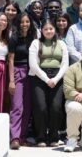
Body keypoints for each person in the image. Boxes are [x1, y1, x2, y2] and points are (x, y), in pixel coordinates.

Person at [28, 19, 69, 147]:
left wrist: (55, 79)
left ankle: (53, 136)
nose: (48, 31)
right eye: (46, 29)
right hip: (38, 76)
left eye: (51, 29)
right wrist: (46, 79)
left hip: (57, 76)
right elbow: (33, 65)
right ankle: (40, 137)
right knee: (40, 107)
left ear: (55, 30)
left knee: (56, 107)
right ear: (42, 31)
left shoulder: (62, 43)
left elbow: (65, 64)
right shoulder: (35, 43)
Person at [8, 13, 37, 149]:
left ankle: (22, 137)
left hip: (32, 73)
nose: (24, 24)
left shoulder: (33, 38)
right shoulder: (14, 38)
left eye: (27, 22)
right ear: (18, 23)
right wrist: (11, 80)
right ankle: (14, 137)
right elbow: (11, 60)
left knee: (27, 107)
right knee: (17, 106)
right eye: (22, 22)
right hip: (18, 71)